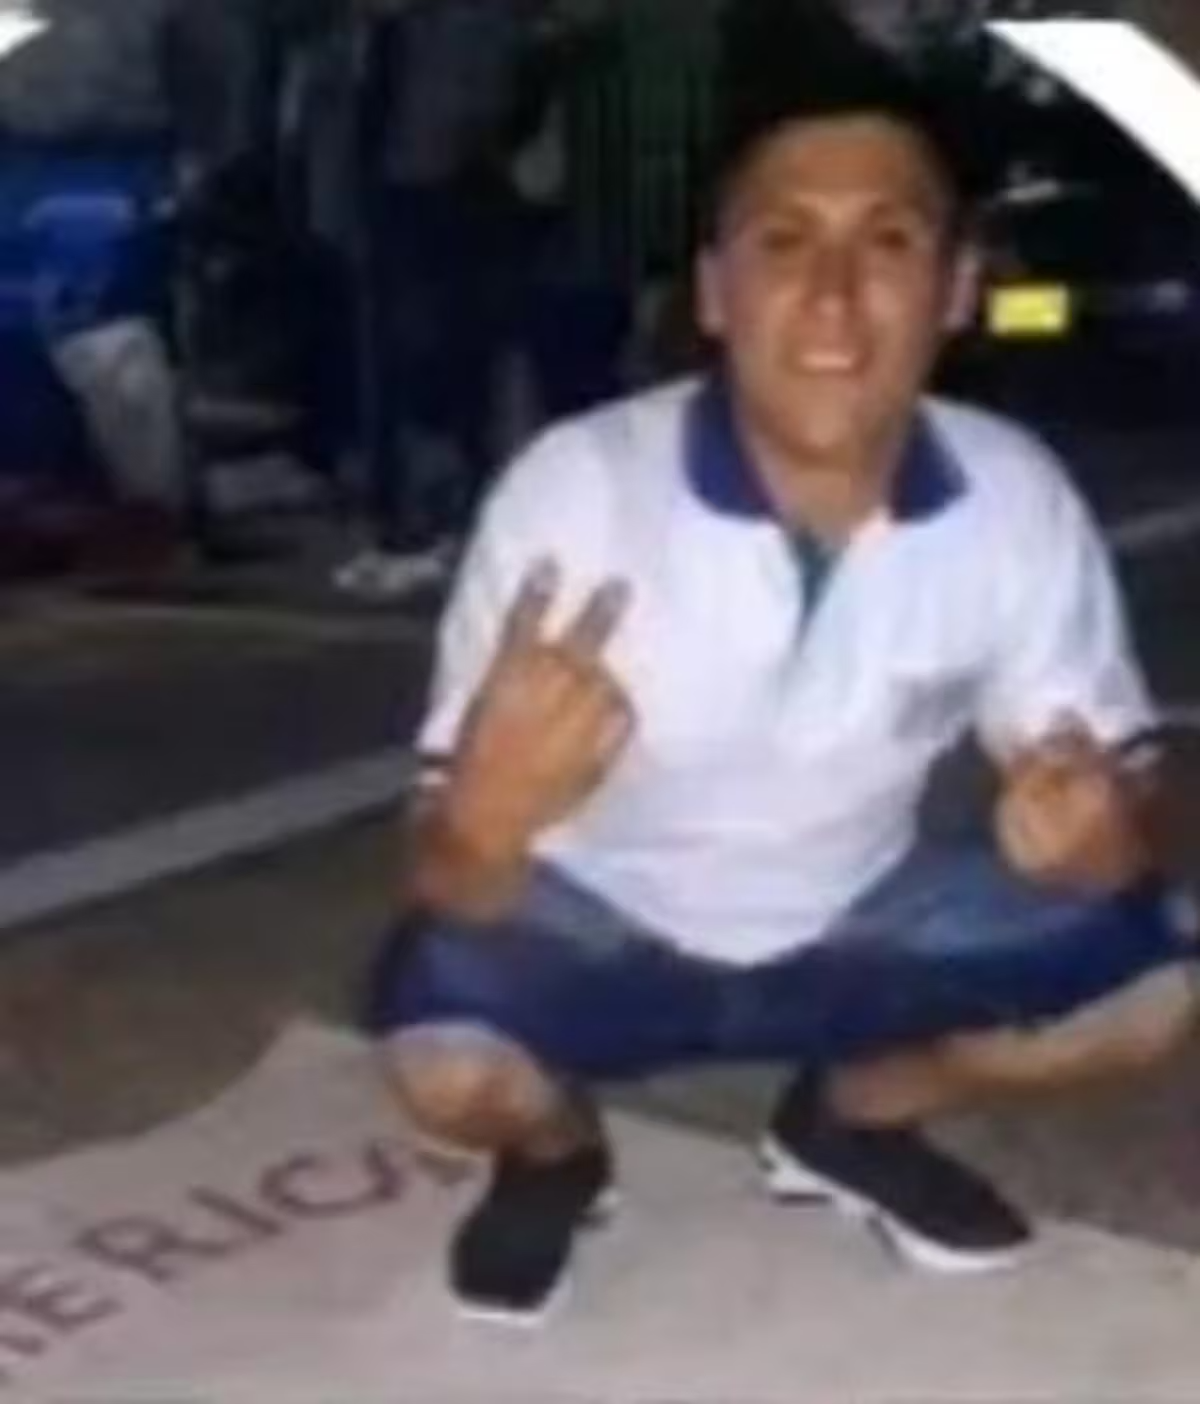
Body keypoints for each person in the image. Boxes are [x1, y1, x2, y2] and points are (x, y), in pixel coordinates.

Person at [364, 29, 1199, 1326]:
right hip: (600, 924)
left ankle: (848, 1121)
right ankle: (558, 1156)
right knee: (444, 1064)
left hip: (857, 916)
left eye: (889, 242)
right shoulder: (575, 492)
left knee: (1158, 989)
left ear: (958, 287)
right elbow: (447, 880)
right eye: (783, 242)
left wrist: (1100, 845)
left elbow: (1122, 800)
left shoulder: (1015, 494)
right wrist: (484, 815)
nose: (832, 296)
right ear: (715, 291)